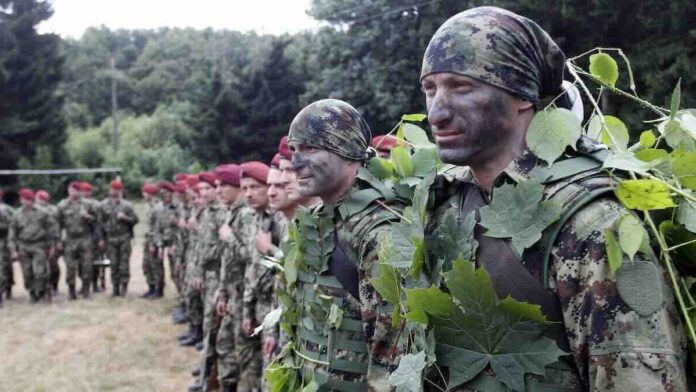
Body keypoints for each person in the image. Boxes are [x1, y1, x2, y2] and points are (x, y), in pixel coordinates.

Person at [420, 6, 687, 391]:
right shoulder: (444, 205)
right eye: (430, 90)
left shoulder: (592, 224)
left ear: (523, 96)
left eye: (462, 87)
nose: (437, 113)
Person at [282, 99, 406, 390]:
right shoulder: (315, 220)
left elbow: (391, 360)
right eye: (294, 150)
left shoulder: (380, 231)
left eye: (310, 148)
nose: (295, 163)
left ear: (349, 152)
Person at [187, 170, 227, 392]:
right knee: (208, 327)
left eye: (207, 188)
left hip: (217, 276)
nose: (203, 193)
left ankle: (209, 378)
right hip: (208, 275)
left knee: (213, 329)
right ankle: (205, 374)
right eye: (201, 189)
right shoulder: (207, 212)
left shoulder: (222, 213)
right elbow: (201, 245)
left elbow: (220, 250)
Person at [8, 189, 53, 302]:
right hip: (24, 246)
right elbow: (12, 233)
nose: (24, 202)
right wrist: (13, 250)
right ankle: (32, 292)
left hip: (39, 245)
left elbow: (51, 230)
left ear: (31, 200)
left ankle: (41, 293)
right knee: (27, 273)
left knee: (40, 272)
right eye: (22, 199)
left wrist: (52, 246)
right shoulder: (16, 214)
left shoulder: (42, 213)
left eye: (26, 199)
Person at [57, 181, 99, 299]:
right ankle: (71, 292)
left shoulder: (88, 205)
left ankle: (86, 290)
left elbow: (97, 221)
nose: (74, 193)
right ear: (68, 191)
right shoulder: (62, 205)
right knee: (70, 267)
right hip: (70, 239)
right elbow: (57, 225)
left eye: (76, 190)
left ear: (80, 192)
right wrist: (59, 241)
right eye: (71, 190)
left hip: (85, 239)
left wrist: (88, 218)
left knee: (86, 266)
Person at [99, 180, 139, 297]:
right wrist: (101, 239)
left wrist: (125, 218)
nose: (114, 191)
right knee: (113, 264)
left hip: (124, 237)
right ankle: (115, 288)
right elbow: (100, 224)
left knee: (124, 264)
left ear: (120, 191)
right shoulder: (103, 205)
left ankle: (124, 287)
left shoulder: (126, 205)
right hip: (110, 238)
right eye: (113, 189)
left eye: (117, 189)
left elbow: (135, 220)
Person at [152, 180, 179, 299]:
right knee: (158, 267)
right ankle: (159, 290)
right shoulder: (158, 209)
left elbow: (182, 229)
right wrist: (159, 246)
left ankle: (181, 294)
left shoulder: (178, 207)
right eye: (162, 195)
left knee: (176, 271)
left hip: (175, 243)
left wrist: (176, 222)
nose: (165, 197)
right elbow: (157, 229)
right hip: (162, 242)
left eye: (167, 195)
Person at [80, 181, 105, 292]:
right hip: (79, 237)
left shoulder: (96, 205)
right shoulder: (77, 204)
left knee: (94, 262)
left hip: (93, 237)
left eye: (87, 191)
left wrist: (100, 238)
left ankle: (95, 284)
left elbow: (99, 223)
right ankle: (84, 284)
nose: (85, 193)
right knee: (80, 264)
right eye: (83, 191)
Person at [35, 190, 60, 295]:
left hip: (51, 241)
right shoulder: (33, 210)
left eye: (44, 199)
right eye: (40, 199)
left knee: (53, 265)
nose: (42, 202)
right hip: (37, 241)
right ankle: (41, 288)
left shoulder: (54, 210)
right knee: (39, 267)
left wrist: (57, 241)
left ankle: (54, 284)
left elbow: (58, 225)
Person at [141, 182, 161, 298]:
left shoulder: (157, 208)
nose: (143, 195)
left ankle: (157, 290)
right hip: (148, 239)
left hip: (153, 240)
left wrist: (154, 244)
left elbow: (157, 227)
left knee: (155, 266)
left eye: (145, 192)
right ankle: (151, 287)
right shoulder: (149, 206)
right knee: (147, 265)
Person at [0, 189, 14, 303]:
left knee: (5, 266)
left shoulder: (6, 209)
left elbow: (13, 224)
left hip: (3, 240)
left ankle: (7, 287)